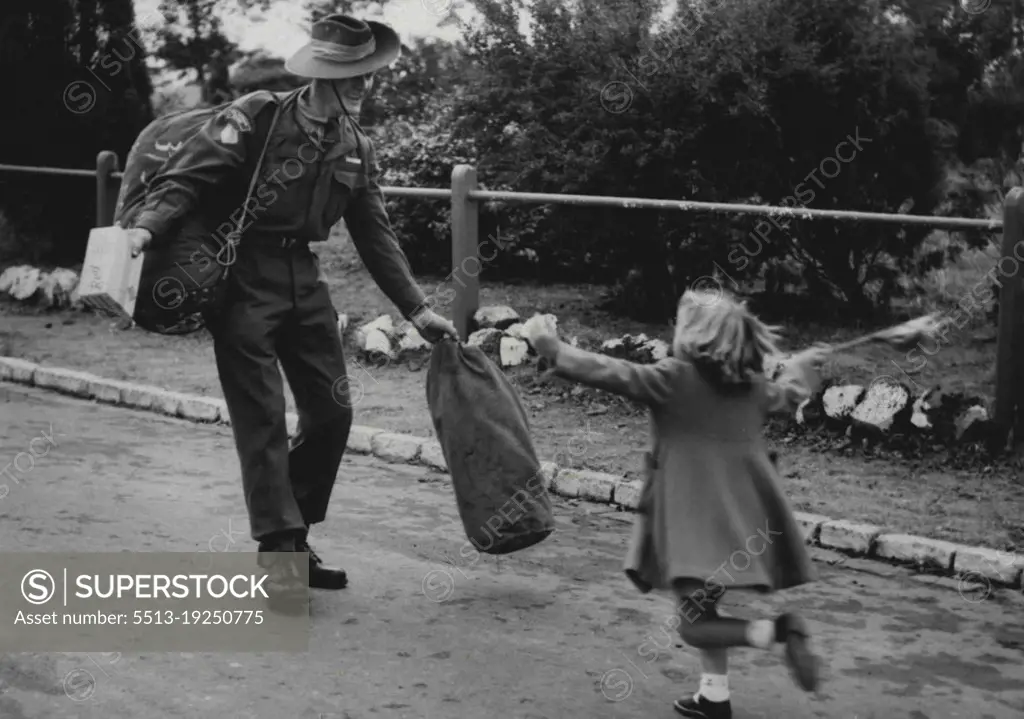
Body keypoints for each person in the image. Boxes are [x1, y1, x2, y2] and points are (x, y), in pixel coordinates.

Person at [121, 14, 458, 607]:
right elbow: (187, 181)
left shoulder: (356, 145)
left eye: (370, 74)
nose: (363, 85)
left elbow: (376, 236)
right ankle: (282, 553)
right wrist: (145, 232)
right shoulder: (258, 116)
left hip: (305, 282)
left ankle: (292, 534)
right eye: (352, 73)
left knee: (333, 415)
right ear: (322, 72)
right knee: (263, 418)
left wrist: (419, 311)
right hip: (242, 277)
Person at [523, 290, 830, 719]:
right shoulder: (753, 388)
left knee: (694, 624)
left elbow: (610, 371)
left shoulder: (672, 379)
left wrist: (550, 346)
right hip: (741, 526)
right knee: (705, 608)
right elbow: (788, 396)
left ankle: (778, 631)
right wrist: (800, 370)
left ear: (694, 335)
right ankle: (714, 697)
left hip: (691, 527)